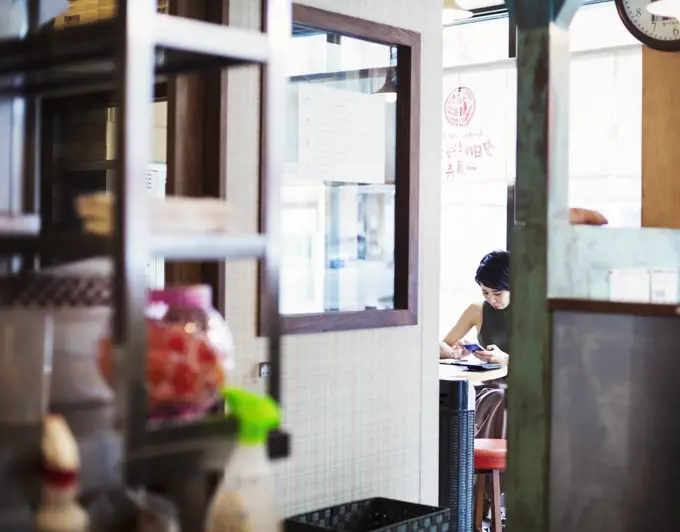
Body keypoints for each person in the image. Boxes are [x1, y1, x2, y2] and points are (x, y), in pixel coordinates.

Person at [439, 250, 510, 365]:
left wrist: (506, 360)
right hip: (488, 381)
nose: (491, 300)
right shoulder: (477, 310)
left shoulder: (534, 312)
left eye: (497, 294)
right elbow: (442, 345)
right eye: (485, 292)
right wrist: (454, 354)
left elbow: (546, 363)